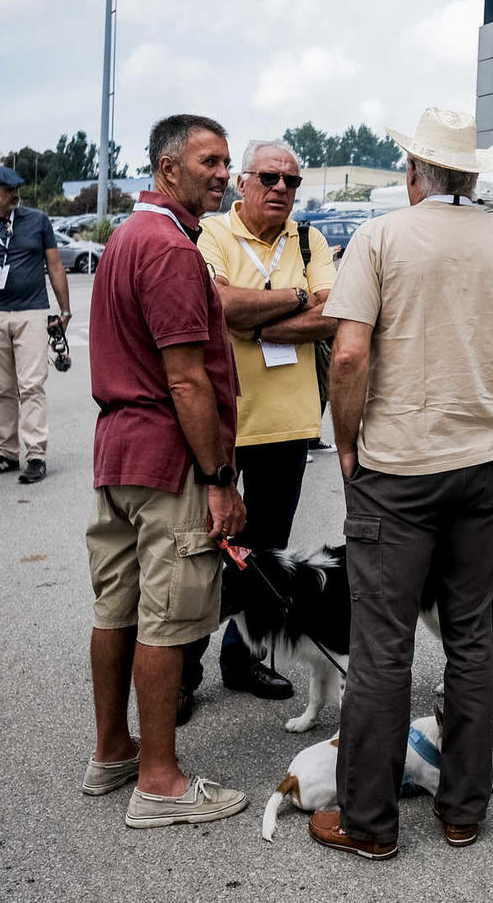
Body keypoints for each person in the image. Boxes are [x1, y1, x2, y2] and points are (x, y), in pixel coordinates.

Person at [309, 107, 493, 860]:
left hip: (398, 467)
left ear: (415, 171)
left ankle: (370, 821)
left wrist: (347, 442)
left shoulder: (382, 236)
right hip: (477, 468)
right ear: (473, 174)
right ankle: (462, 810)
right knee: (470, 640)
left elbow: (349, 356)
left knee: (384, 646)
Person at [82, 113, 248, 829]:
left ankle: (113, 750)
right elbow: (186, 380)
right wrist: (219, 479)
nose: (224, 175)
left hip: (116, 449)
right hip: (164, 451)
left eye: (227, 162)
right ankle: (159, 779)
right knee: (166, 616)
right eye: (209, 161)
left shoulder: (125, 235)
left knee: (115, 608)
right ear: (166, 166)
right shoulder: (172, 247)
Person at [183, 139, 339, 711]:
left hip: (288, 421)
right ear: (244, 181)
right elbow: (219, 305)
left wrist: (263, 324)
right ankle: (181, 670)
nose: (280, 189)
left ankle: (241, 658)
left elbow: (334, 313)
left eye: (291, 181)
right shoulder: (214, 235)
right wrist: (295, 296)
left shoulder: (310, 238)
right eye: (269, 177)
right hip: (225, 422)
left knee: (264, 551)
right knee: (206, 546)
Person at [0, 165, 71, 485]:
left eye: (17, 190)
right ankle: (6, 451)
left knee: (32, 384)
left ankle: (35, 454)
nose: (15, 196)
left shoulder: (38, 221)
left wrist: (65, 309)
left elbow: (54, 265)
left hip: (31, 312)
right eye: (8, 192)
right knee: (2, 387)